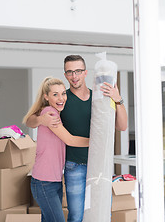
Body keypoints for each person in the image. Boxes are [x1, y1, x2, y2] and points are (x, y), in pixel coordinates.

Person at [35, 55, 128, 222]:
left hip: (99, 165)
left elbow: (121, 126)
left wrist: (117, 99)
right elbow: (32, 117)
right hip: (74, 166)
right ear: (65, 75)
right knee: (77, 216)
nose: (74, 76)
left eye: (78, 71)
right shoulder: (62, 99)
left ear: (85, 73)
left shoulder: (100, 97)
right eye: (69, 72)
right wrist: (40, 119)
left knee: (101, 212)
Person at [23, 77, 90, 222]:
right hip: (44, 182)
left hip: (53, 181)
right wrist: (97, 142)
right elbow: (70, 140)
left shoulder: (53, 112)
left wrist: (39, 120)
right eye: (55, 94)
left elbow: (30, 120)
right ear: (46, 97)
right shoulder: (50, 113)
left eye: (63, 93)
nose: (61, 98)